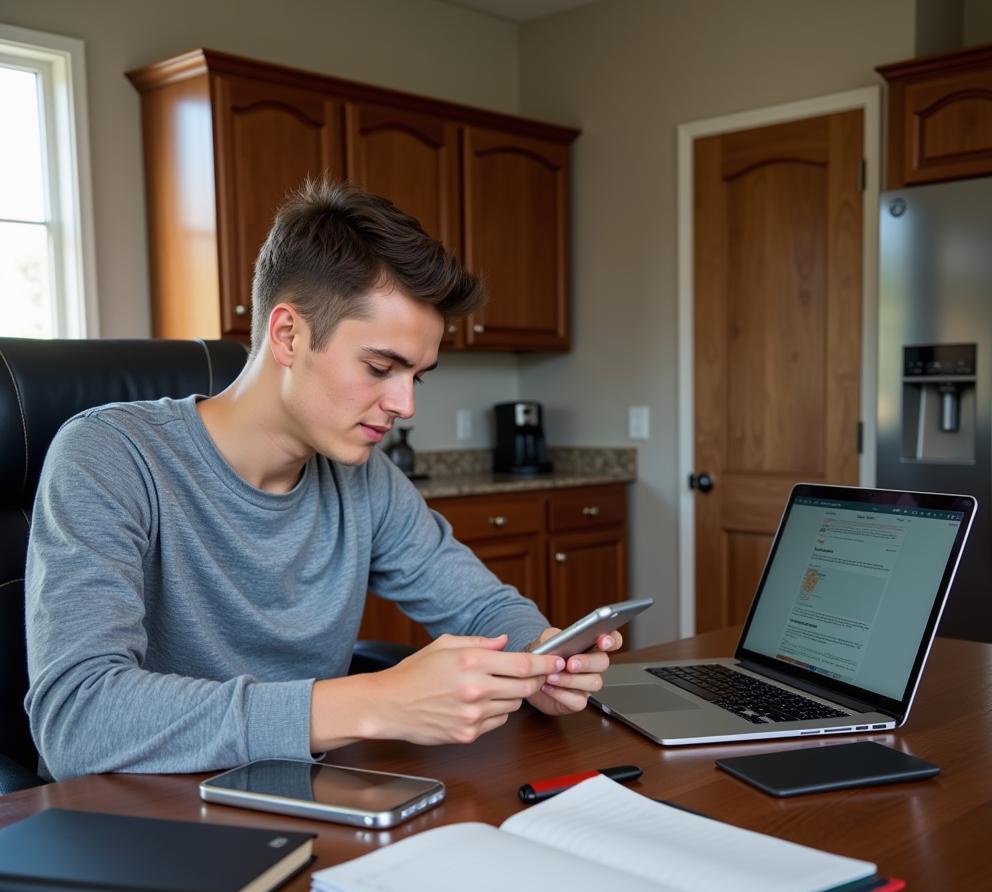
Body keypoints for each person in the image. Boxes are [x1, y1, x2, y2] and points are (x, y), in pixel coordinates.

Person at [24, 179, 620, 780]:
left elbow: (478, 604)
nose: (405, 404)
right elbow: (77, 719)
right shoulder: (110, 455)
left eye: (418, 376)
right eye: (381, 367)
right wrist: (373, 702)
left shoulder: (364, 478)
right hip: (135, 821)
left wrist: (538, 656)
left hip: (304, 798)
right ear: (288, 335)